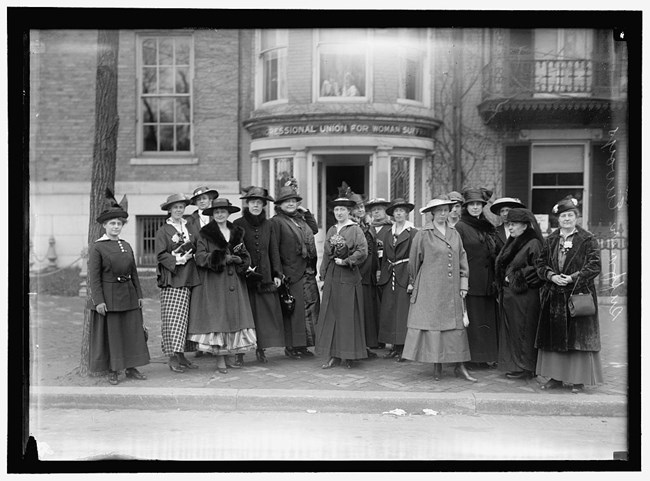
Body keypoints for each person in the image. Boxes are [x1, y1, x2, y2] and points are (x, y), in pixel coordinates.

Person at [401, 196, 476, 382]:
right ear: (432, 213)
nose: (444, 213)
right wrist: (415, 283)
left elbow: (462, 259)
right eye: (440, 210)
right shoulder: (423, 234)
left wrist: (463, 284)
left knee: (456, 327)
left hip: (452, 290)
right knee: (434, 326)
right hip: (430, 289)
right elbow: (413, 262)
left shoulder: (454, 233)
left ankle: (460, 366)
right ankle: (437, 366)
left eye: (446, 210)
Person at [534, 197, 603, 393]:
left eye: (570, 215)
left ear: (576, 217)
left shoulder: (587, 239)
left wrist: (572, 278)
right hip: (555, 296)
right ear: (557, 219)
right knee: (555, 339)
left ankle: (578, 380)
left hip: (578, 295)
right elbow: (540, 264)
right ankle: (556, 378)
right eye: (563, 215)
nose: (566, 219)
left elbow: (595, 265)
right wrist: (552, 276)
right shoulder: (551, 239)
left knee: (578, 340)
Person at [187, 198, 257, 374]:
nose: (220, 214)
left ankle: (230, 355)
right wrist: (223, 258)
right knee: (219, 318)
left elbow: (245, 254)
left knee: (233, 316)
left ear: (228, 213)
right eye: (216, 212)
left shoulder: (236, 232)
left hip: (235, 282)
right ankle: (220, 359)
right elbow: (200, 257)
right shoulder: (205, 233)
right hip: (215, 282)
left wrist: (241, 260)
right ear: (212, 214)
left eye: (223, 211)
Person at [87, 189, 150, 385]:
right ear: (104, 225)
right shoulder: (98, 247)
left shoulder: (126, 245)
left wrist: (139, 294)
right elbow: (94, 278)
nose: (116, 226)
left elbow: (134, 273)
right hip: (109, 297)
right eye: (112, 223)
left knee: (131, 331)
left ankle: (131, 367)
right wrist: (99, 301)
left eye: (119, 223)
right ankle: (113, 369)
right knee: (114, 335)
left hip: (129, 295)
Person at [233, 186, 285, 364]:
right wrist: (243, 267)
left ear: (264, 205)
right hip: (245, 276)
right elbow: (235, 249)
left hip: (265, 275)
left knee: (262, 316)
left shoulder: (269, 225)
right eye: (253, 202)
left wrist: (277, 273)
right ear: (247, 204)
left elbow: (274, 250)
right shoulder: (238, 224)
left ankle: (260, 349)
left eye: (259, 203)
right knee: (244, 315)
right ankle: (239, 353)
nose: (256, 205)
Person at [316, 197, 368, 369]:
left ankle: (349, 355)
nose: (339, 213)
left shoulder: (355, 229)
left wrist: (347, 261)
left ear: (349, 212)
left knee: (348, 315)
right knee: (332, 314)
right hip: (333, 276)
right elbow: (325, 253)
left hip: (348, 276)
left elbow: (363, 251)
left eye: (342, 210)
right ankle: (334, 355)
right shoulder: (331, 230)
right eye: (336, 210)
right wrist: (323, 274)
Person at [271, 183, 320, 359]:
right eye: (287, 202)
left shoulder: (300, 219)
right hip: (290, 272)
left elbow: (313, 229)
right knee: (294, 311)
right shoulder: (277, 222)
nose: (291, 204)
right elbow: (274, 249)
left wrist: (306, 212)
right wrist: (278, 272)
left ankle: (304, 345)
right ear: (280, 205)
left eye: (293, 201)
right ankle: (292, 347)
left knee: (309, 310)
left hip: (307, 271)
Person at [494, 208, 544, 380]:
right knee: (514, 331)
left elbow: (538, 270)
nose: (511, 227)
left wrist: (514, 277)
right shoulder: (514, 240)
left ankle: (526, 367)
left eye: (514, 224)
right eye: (509, 224)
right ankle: (517, 365)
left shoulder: (533, 243)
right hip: (513, 298)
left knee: (523, 332)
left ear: (525, 226)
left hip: (525, 297)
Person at [155, 193, 202, 373]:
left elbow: (197, 244)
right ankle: (173, 356)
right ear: (169, 209)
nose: (178, 210)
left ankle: (182, 354)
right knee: (174, 318)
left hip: (190, 276)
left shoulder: (189, 227)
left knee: (187, 319)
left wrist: (194, 253)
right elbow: (160, 254)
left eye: (181, 207)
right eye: (175, 207)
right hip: (173, 278)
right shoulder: (163, 230)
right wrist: (179, 258)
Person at [455, 187, 499, 369]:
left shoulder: (487, 226)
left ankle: (485, 356)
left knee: (486, 320)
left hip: (488, 281)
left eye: (478, 204)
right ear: (466, 207)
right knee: (472, 319)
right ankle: (471, 359)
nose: (475, 207)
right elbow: (456, 255)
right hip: (471, 281)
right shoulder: (460, 227)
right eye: (471, 204)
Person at [376, 198, 417, 362]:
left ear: (406, 213)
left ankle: (403, 348)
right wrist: (381, 272)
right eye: (396, 211)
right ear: (392, 214)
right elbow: (385, 256)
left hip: (405, 274)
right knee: (390, 310)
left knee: (402, 311)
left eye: (401, 211)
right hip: (390, 274)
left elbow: (416, 258)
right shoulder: (387, 233)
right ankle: (393, 346)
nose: (399, 214)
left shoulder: (413, 232)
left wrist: (412, 280)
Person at [185, 186, 219, 359]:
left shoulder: (219, 216)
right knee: (199, 305)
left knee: (215, 304)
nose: (203, 201)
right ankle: (199, 344)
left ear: (210, 199)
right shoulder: (190, 221)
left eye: (205, 198)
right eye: (199, 200)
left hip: (215, 268)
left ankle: (215, 343)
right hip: (197, 268)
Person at [348, 191, 379, 358]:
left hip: (369, 275)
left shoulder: (367, 225)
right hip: (358, 274)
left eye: (361, 206)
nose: (360, 210)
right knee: (357, 311)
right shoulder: (352, 227)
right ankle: (356, 347)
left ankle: (365, 346)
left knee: (367, 311)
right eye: (356, 207)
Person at [364, 198, 393, 350]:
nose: (376, 212)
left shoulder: (390, 229)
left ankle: (386, 337)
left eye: (379, 209)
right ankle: (374, 338)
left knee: (385, 305)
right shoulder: (368, 229)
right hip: (369, 271)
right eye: (373, 210)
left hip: (386, 270)